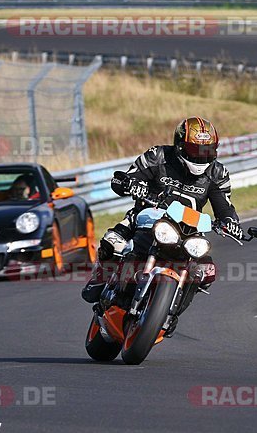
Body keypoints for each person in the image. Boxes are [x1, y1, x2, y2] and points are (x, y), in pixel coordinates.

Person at [81, 116, 243, 305]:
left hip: (188, 230)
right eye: (195, 149)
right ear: (180, 145)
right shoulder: (158, 155)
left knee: (206, 272)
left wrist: (231, 223)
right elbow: (124, 179)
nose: (201, 156)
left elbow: (225, 207)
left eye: (207, 150)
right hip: (146, 216)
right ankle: (99, 281)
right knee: (113, 243)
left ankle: (172, 310)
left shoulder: (218, 173)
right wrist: (131, 184)